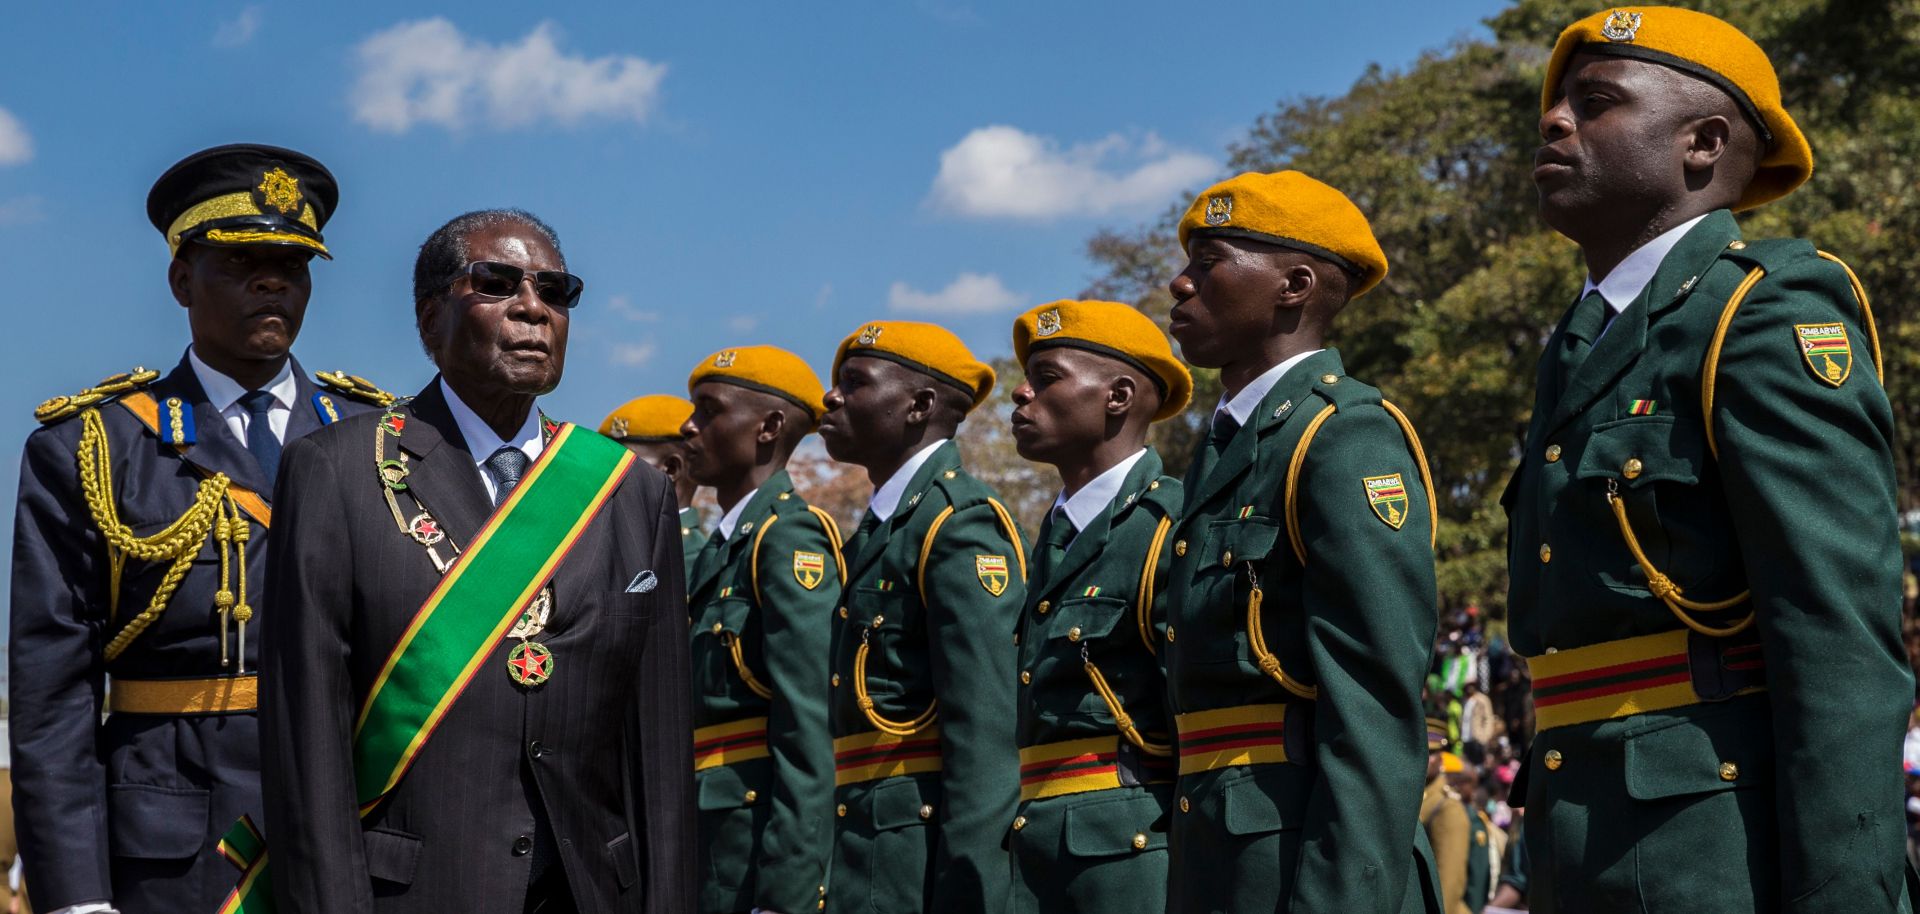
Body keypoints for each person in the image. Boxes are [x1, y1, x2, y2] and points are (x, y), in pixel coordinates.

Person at [1508, 8, 1914, 911]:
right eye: (1559, 104)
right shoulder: (1579, 345)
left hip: (1706, 857)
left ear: (1703, 143)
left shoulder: (1760, 317)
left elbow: (1838, 645)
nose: (1553, 120)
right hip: (1581, 843)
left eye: (1596, 102)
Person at [257, 209, 695, 913]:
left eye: (556, 292)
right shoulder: (336, 469)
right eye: (498, 283)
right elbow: (306, 742)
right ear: (431, 320)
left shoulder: (629, 491)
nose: (533, 309)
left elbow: (662, 756)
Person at [8, 143, 387, 914]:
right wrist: (76, 899)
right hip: (171, 848)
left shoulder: (378, 438)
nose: (273, 279)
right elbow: (53, 696)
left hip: (353, 827)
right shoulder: (96, 446)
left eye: (293, 262)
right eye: (241, 259)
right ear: (182, 278)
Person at [1160, 169, 1441, 914]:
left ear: (1294, 285)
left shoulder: (1341, 435)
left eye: (1209, 262)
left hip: (1303, 868)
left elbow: (1374, 708)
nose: (1179, 284)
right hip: (1221, 863)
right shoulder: (1223, 448)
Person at [816, 321, 1024, 914]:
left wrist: (971, 892)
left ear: (919, 405)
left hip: (921, 861)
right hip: (868, 852)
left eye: (854, 382)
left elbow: (984, 734)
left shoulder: (957, 523)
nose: (830, 398)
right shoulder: (881, 529)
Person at [1003, 300, 1192, 912]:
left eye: (1048, 377)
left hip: (1131, 863)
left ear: (1117, 397)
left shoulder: (1172, 526)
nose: (1020, 392)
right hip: (1034, 853)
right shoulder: (1049, 537)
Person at [679, 346, 842, 914]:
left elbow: (807, 727)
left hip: (754, 852)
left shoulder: (788, 540)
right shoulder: (723, 549)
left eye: (709, 411)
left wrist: (787, 893)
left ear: (769, 428)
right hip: (708, 843)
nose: (687, 426)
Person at [602, 394, 706, 575]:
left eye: (622, 465)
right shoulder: (604, 549)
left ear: (671, 469)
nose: (605, 478)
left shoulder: (697, 560)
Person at [1422, 723, 1471, 914]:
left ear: (1441, 759)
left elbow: (1448, 888)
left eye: (1432, 753)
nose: (1425, 758)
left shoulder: (1447, 808)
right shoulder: (1414, 800)